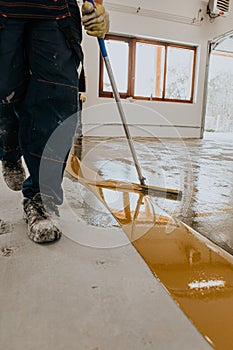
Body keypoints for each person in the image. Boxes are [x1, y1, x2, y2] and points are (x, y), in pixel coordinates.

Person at [0, 0, 109, 243]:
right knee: (5, 89)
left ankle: (42, 198)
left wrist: (97, 3)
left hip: (55, 10)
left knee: (55, 99)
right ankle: (8, 149)